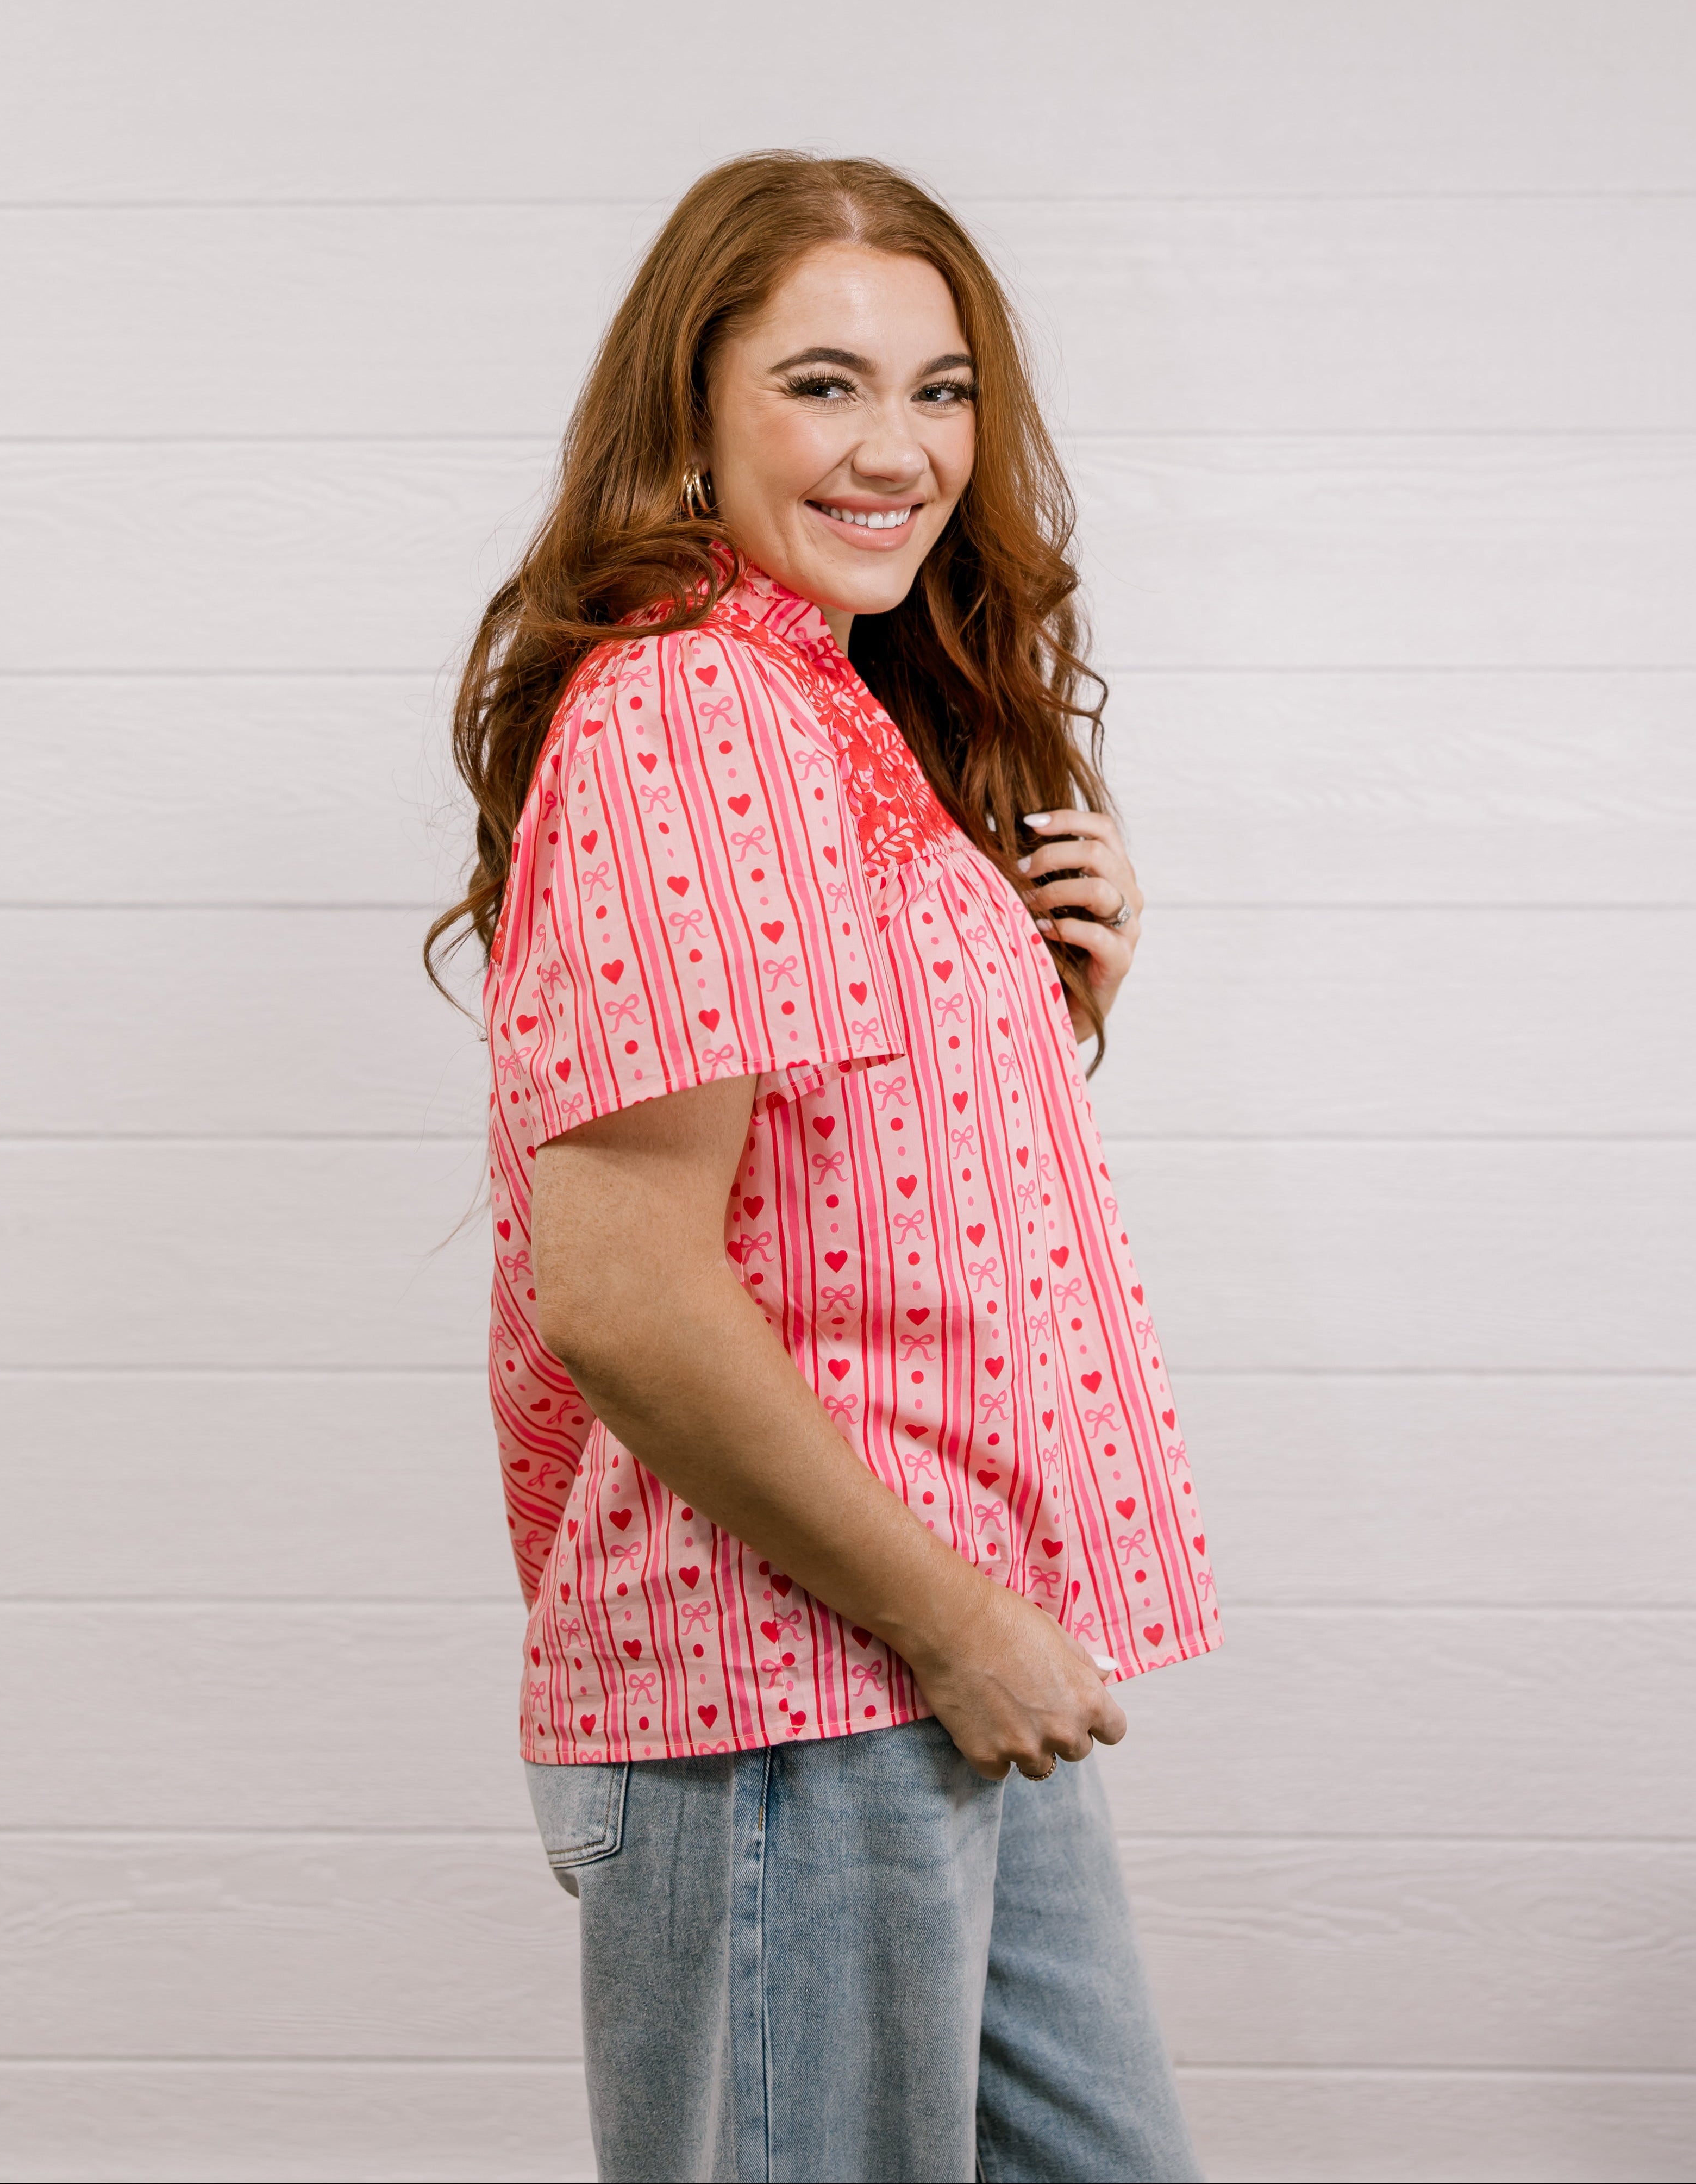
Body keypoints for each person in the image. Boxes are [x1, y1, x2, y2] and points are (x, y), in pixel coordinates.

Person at [428, 151, 1220, 2184]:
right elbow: (623, 1293)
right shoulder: (694, 706)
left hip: (925, 1661)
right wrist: (956, 1623)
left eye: (943, 389)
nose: (901, 450)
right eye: (826, 385)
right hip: (802, 1677)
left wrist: (1048, 988)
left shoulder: (826, 711)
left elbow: (858, 1199)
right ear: (689, 412)